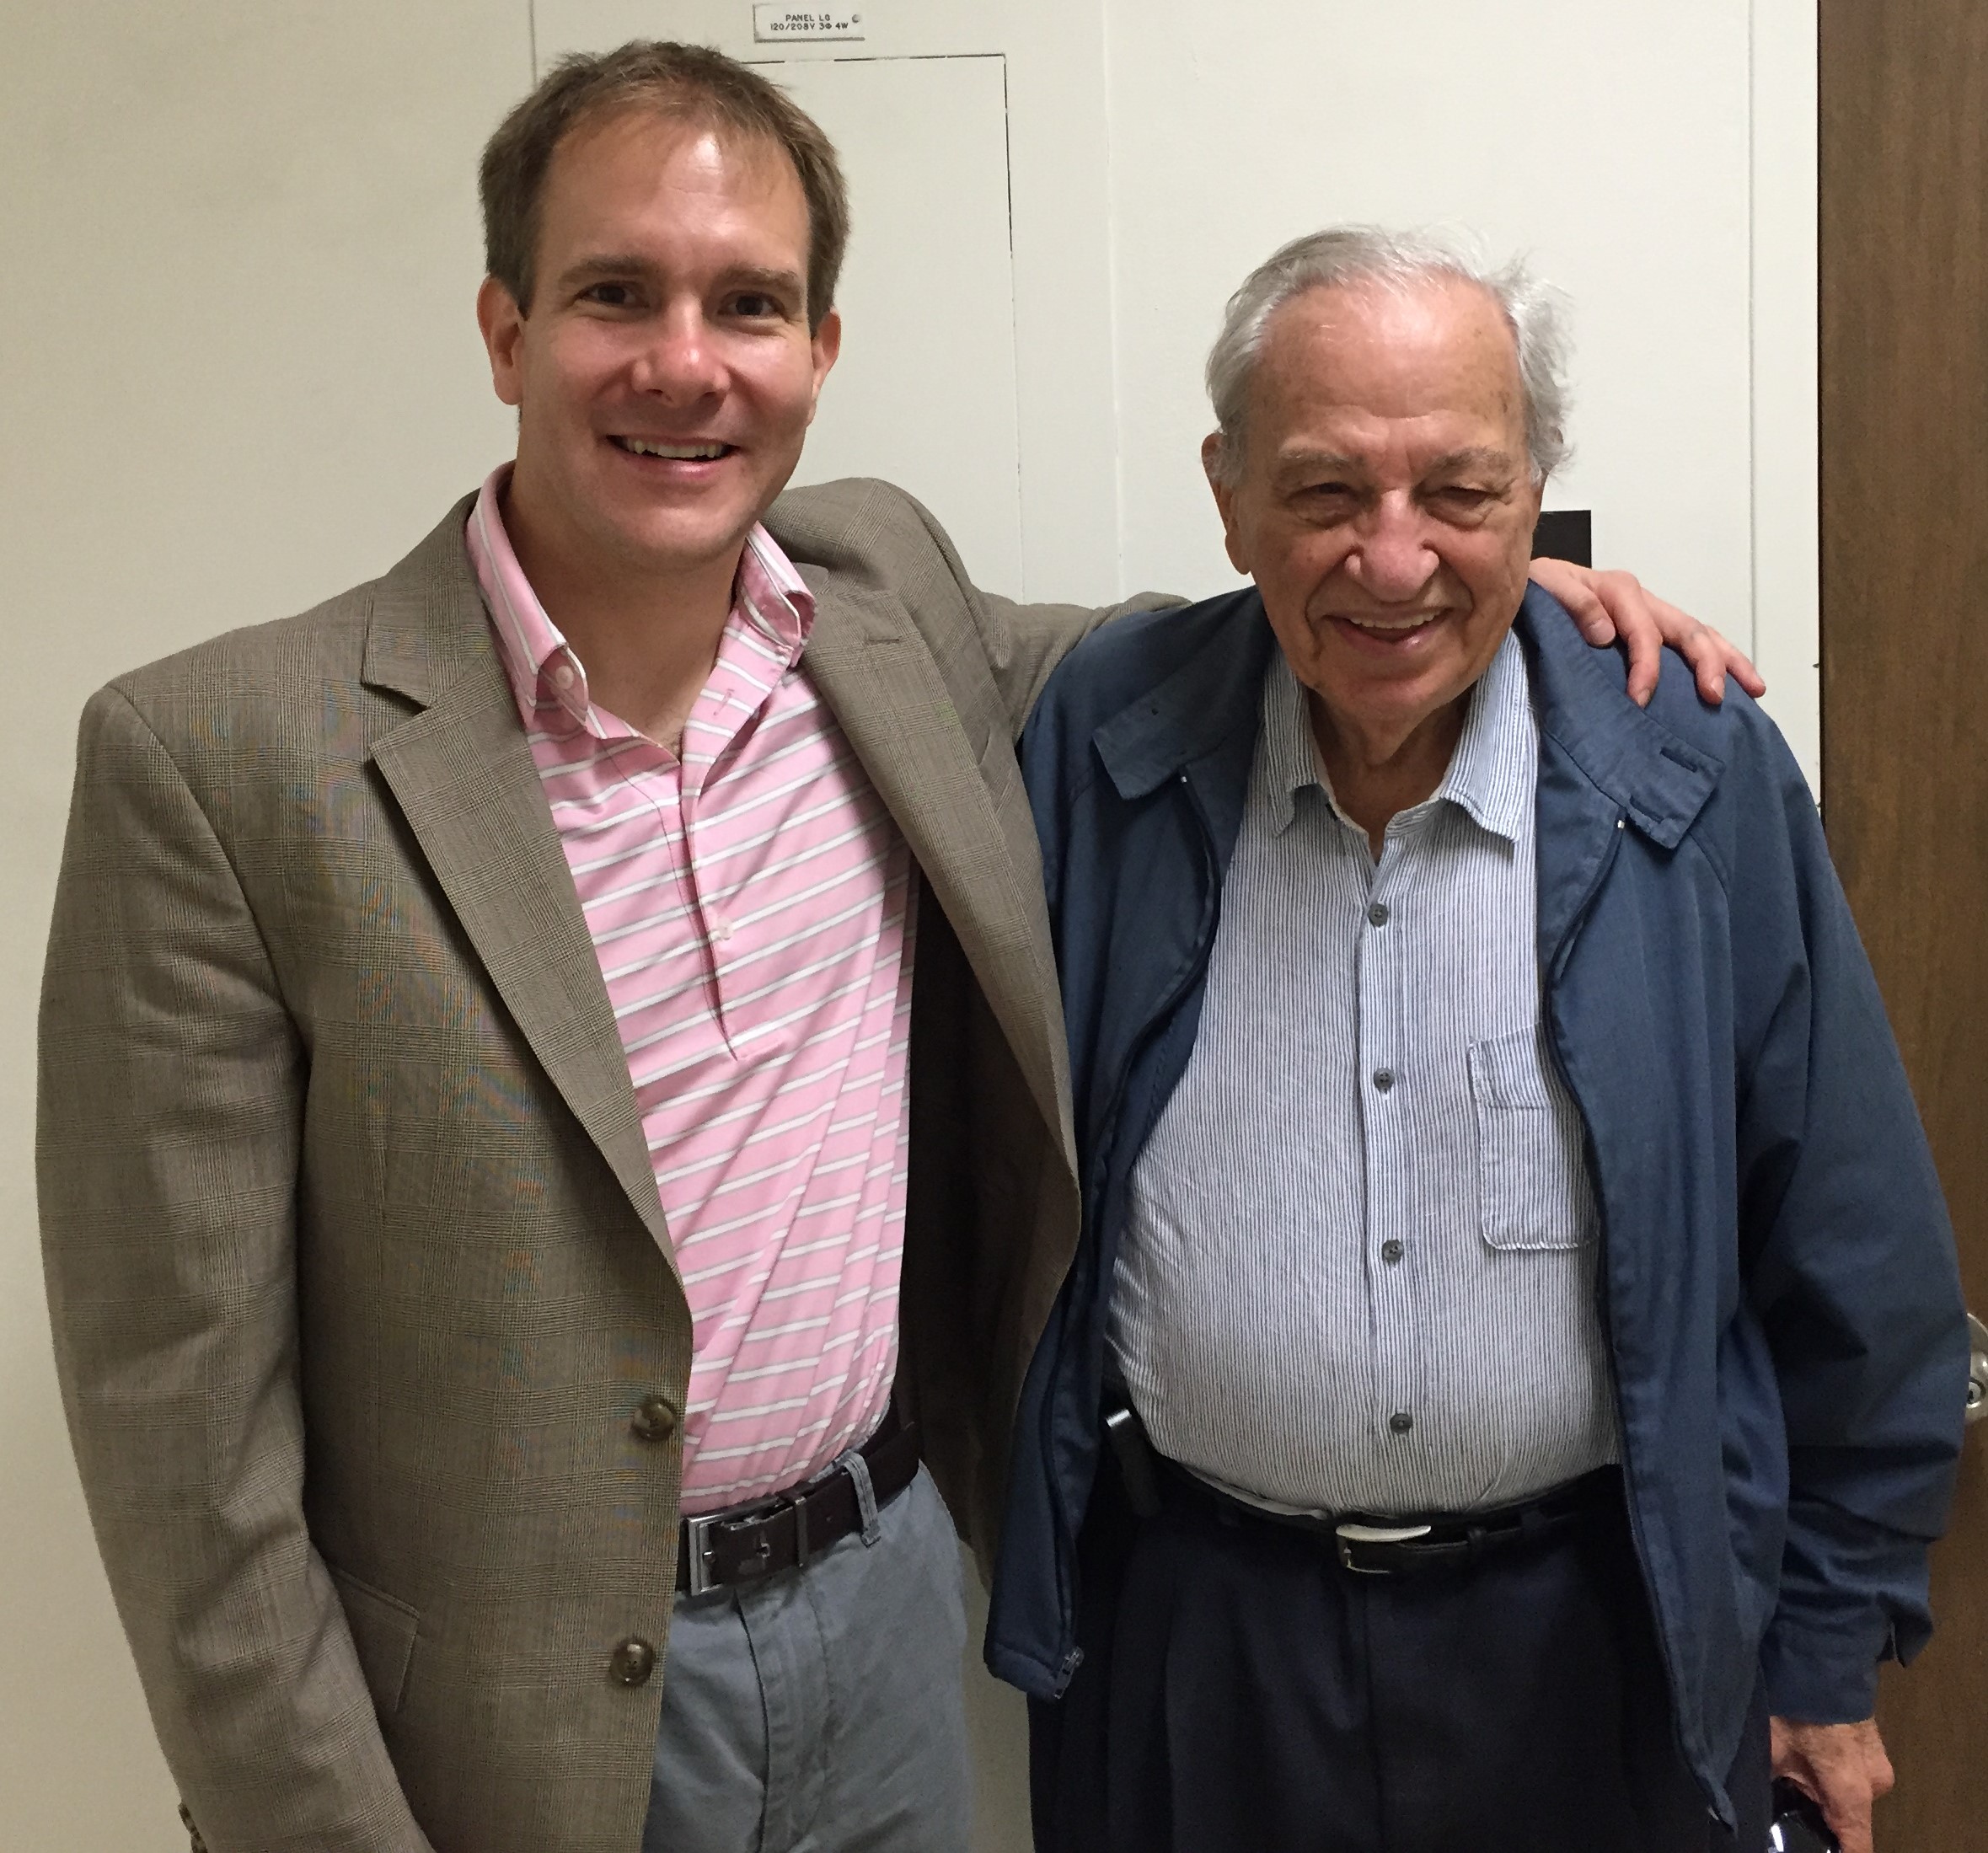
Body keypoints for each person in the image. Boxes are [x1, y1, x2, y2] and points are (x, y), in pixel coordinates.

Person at [36, 45, 1751, 1853]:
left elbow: (1228, 644)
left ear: (819, 351)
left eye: (749, 303)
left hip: (884, 1635)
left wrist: (1506, 600)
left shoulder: (888, 611)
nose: (685, 360)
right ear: (502, 328)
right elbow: (186, 1458)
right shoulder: (223, 760)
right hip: (498, 1717)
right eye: (615, 292)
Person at [994, 227, 1969, 1853]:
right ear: (1228, 495)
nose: (1395, 560)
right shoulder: (1102, 740)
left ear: (1537, 495)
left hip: (1601, 1636)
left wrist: (1826, 1641)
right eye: (1324, 494)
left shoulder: (1694, 774)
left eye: (1459, 491)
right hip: (1203, 1643)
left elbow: (1853, 1249)